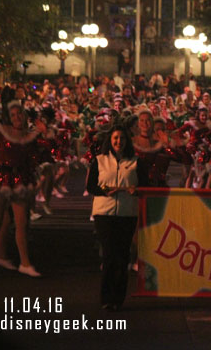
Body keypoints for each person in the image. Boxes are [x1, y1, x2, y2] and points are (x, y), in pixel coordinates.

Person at [86, 125, 146, 311]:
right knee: (110, 254)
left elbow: (144, 185)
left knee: (122, 256)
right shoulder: (100, 160)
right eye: (115, 138)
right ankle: (106, 297)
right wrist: (104, 191)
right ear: (110, 141)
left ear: (127, 141)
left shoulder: (136, 161)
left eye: (122, 138)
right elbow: (91, 186)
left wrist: (135, 190)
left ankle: (118, 298)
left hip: (127, 213)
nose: (118, 142)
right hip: (104, 213)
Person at [0, 101, 50, 277]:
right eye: (13, 115)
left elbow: (47, 151)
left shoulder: (30, 135)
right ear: (8, 118)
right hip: (2, 179)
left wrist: (44, 131)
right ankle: (1, 256)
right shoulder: (1, 129)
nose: (17, 117)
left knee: (21, 223)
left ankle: (24, 263)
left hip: (21, 180)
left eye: (19, 113)